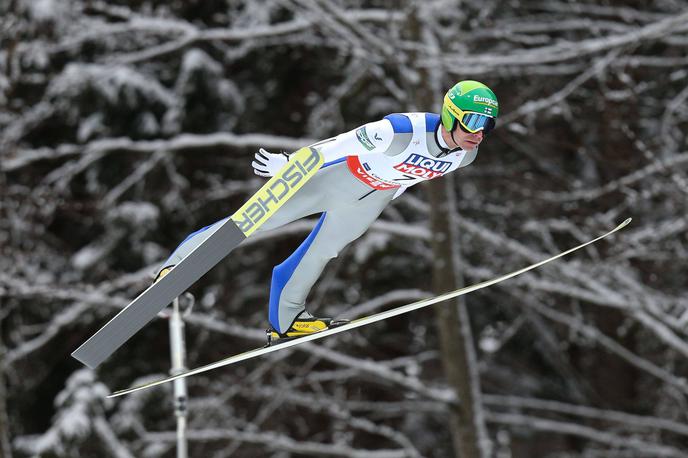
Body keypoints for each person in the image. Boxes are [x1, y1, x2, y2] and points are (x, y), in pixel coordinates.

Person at [156, 80, 499, 345]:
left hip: (372, 197)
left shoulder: (464, 156)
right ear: (451, 113)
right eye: (472, 121)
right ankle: (178, 266)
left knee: (323, 252)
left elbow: (414, 174)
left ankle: (286, 322)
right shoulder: (398, 131)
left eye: (488, 124)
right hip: (335, 179)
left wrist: (389, 193)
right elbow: (334, 146)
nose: (479, 132)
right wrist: (291, 165)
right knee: (256, 221)